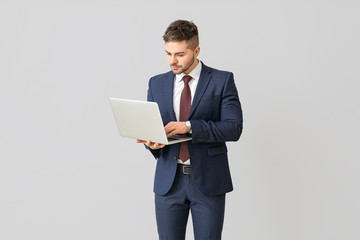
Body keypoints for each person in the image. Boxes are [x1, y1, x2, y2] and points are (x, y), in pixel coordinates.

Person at [136, 19, 243, 240]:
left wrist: (189, 126)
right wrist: (153, 145)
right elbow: (156, 130)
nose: (172, 61)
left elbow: (234, 128)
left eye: (180, 54)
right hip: (169, 182)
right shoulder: (156, 84)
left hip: (208, 181)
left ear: (196, 50)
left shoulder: (222, 81)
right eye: (168, 54)